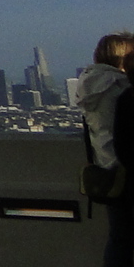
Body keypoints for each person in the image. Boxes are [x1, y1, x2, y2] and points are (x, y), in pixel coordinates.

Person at [80, 32, 134, 266]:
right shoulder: (119, 86)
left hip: (107, 169)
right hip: (127, 169)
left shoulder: (89, 85)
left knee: (119, 237)